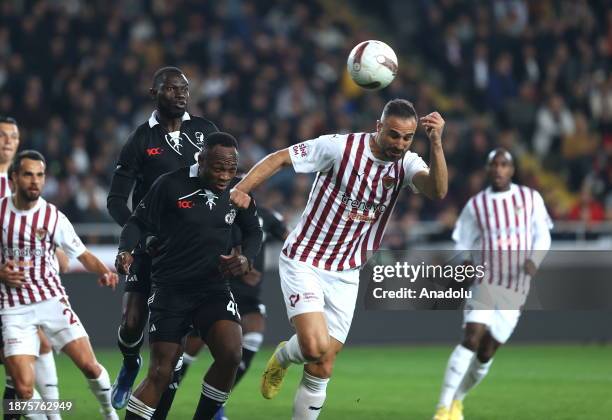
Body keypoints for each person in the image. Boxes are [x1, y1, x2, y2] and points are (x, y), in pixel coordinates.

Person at [230, 99, 448, 419]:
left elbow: (437, 191)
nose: (399, 144)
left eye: (407, 137)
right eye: (393, 135)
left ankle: (287, 358)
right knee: (314, 347)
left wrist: (437, 144)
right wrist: (242, 188)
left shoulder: (406, 163)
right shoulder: (338, 148)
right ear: (378, 127)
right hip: (305, 258)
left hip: (347, 270)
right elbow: (280, 159)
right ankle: (285, 357)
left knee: (323, 364)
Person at [115, 132, 262, 420]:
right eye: (218, 168)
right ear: (201, 159)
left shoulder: (239, 191)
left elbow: (253, 232)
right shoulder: (170, 184)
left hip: (213, 288)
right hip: (171, 289)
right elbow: (137, 222)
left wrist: (245, 258)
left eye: (231, 169)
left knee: (232, 353)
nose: (224, 175)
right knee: (161, 372)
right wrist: (126, 250)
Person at [106, 66, 218, 413]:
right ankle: (128, 365)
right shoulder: (141, 140)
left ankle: (171, 394)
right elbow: (115, 201)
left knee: (179, 336)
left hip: (189, 252)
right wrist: (141, 235)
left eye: (184, 87)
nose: (181, 93)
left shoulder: (205, 131)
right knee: (132, 322)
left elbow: (225, 181)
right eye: (171, 88)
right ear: (154, 93)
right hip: (150, 245)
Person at [432, 149, 552, 420]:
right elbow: (462, 240)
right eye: (494, 165)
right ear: (487, 169)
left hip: (516, 287)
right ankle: (441, 409)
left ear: (512, 169)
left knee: (486, 352)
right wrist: (464, 261)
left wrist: (535, 259)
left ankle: (457, 401)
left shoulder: (530, 198)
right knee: (472, 337)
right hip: (485, 280)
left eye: (504, 165)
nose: (499, 169)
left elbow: (542, 235)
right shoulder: (477, 205)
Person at [0, 150, 119, 419]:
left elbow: (83, 253)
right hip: (13, 309)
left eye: (40, 175)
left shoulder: (53, 217)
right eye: (28, 174)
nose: (35, 181)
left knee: (89, 366)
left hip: (51, 301)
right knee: (22, 390)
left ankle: (109, 412)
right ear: (15, 178)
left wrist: (104, 271)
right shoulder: (1, 212)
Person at [179, 206, 289, 420]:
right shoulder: (218, 211)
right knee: (190, 349)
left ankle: (217, 401)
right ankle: (165, 390)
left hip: (250, 295)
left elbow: (292, 240)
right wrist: (239, 265)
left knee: (253, 338)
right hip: (220, 288)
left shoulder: (268, 216)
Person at [0, 117, 68, 420]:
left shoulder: (19, 181)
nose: (8, 141)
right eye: (2, 136)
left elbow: (31, 222)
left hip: (15, 294)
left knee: (23, 367)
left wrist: (54, 246)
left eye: (13, 136)